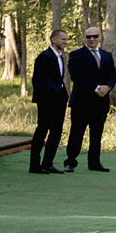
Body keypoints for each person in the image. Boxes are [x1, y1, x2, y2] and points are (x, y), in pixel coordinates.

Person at [65, 27, 116, 172]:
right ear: (85, 37)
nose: (91, 39)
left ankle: (94, 163)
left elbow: (113, 74)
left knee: (96, 133)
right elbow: (76, 76)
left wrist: (108, 87)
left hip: (100, 102)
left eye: (95, 36)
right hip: (82, 101)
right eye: (88, 36)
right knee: (77, 133)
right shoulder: (76, 55)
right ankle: (70, 162)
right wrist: (96, 87)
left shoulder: (107, 55)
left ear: (100, 37)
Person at [29, 28, 71, 174]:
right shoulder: (44, 57)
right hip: (47, 101)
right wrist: (51, 95)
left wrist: (63, 95)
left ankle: (48, 163)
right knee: (42, 131)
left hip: (59, 100)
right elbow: (38, 81)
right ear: (53, 40)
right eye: (63, 39)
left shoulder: (60, 57)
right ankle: (34, 166)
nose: (65, 42)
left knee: (56, 132)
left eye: (66, 39)